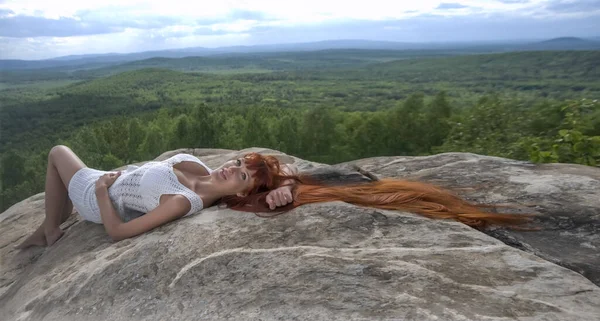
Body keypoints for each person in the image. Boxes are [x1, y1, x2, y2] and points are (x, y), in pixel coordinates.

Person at [17, 145, 532, 249]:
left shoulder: (184, 203)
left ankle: (50, 228)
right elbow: (178, 156)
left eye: (241, 174)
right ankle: (47, 226)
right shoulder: (194, 168)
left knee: (58, 153)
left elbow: (116, 232)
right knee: (61, 154)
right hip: (111, 174)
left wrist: (105, 192)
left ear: (241, 194)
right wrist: (287, 181)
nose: (232, 166)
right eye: (239, 162)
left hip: (93, 198)